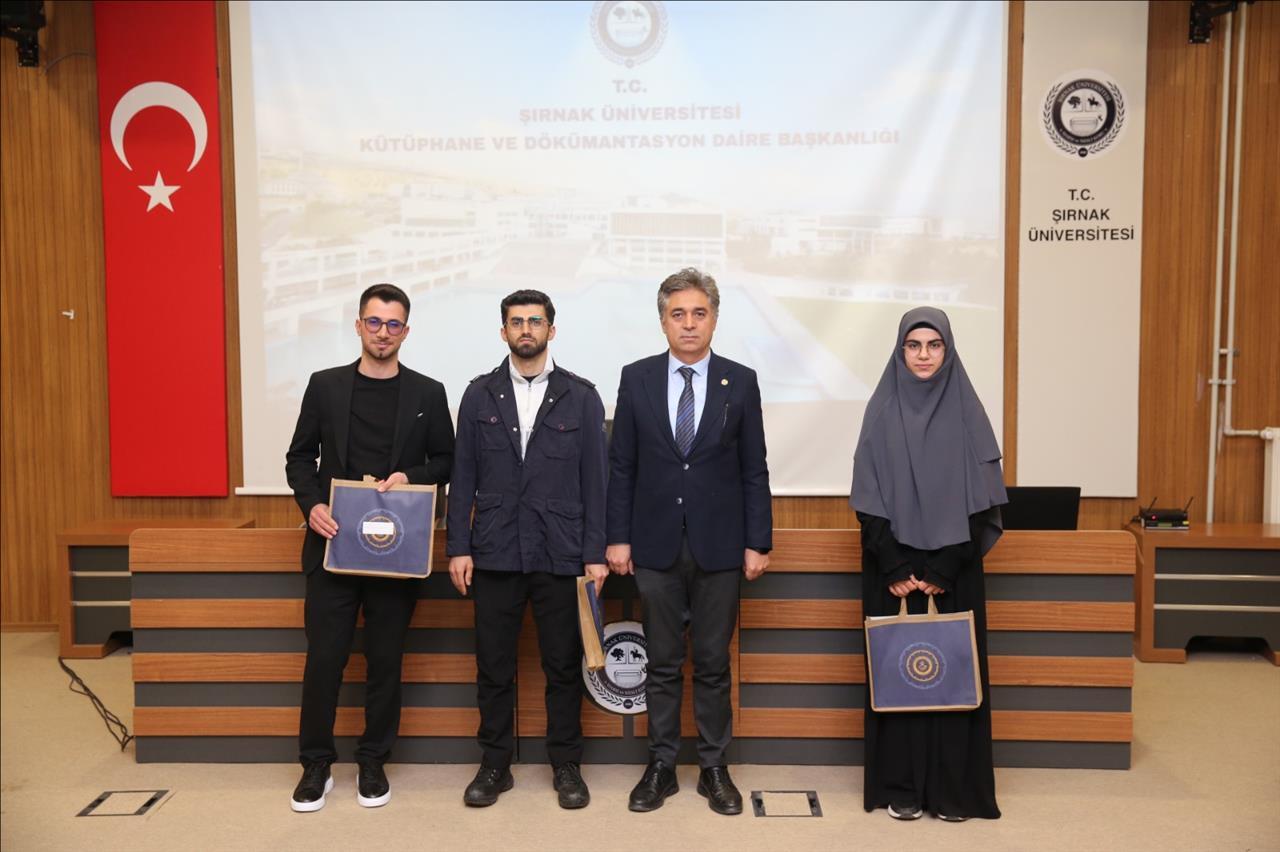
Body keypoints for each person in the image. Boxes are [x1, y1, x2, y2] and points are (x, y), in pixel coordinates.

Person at [606, 267, 773, 815]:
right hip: (653, 545)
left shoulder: (740, 381)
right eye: (677, 314)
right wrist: (617, 537)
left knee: (713, 664)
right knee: (660, 662)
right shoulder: (636, 378)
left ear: (715, 319)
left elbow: (754, 468)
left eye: (699, 313)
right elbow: (621, 465)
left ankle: (713, 768)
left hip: (720, 547)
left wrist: (758, 541)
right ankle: (661, 766)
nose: (689, 323)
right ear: (662, 321)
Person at [284, 283, 455, 812]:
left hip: (395, 552)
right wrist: (311, 504)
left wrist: (412, 476)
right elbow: (299, 458)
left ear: (406, 331)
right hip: (333, 548)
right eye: (374, 322)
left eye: (393, 324)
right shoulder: (325, 385)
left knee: (385, 662)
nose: (383, 332)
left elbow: (447, 460)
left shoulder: (428, 392)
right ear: (358, 325)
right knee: (324, 660)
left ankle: (373, 760)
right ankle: (316, 765)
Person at [447, 290, 608, 810]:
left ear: (551, 331)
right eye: (516, 322)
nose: (526, 329)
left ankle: (566, 765)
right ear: (503, 332)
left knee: (562, 666)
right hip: (494, 550)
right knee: (494, 667)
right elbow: (462, 477)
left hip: (561, 553)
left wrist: (595, 553)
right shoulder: (479, 395)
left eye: (535, 321)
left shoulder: (581, 396)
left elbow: (596, 483)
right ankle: (495, 764)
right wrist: (458, 546)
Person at [850, 306, 1006, 822]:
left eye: (933, 345)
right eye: (913, 345)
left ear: (948, 350)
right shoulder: (881, 411)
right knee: (899, 676)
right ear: (900, 351)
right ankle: (902, 788)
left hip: (953, 571)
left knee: (952, 677)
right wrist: (896, 568)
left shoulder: (967, 413)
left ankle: (952, 792)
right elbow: (868, 500)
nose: (923, 355)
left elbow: (982, 504)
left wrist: (942, 569)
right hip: (891, 569)